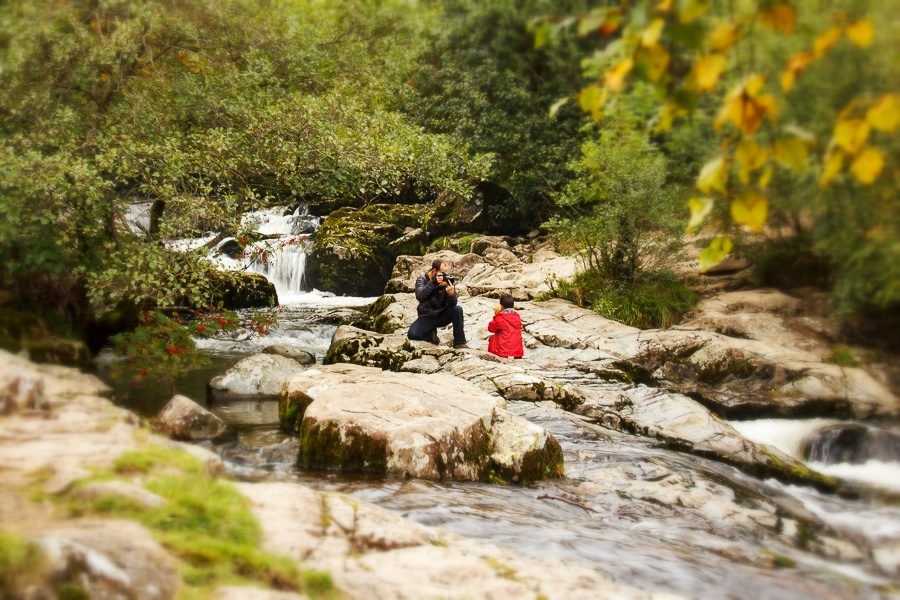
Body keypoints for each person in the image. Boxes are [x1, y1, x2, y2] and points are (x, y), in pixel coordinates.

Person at [408, 258, 468, 348]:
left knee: (457, 310)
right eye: (442, 273)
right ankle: (431, 336)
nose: (444, 276)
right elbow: (420, 296)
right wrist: (433, 283)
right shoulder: (422, 279)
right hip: (426, 316)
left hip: (441, 315)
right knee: (412, 335)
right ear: (434, 271)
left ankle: (459, 342)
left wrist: (451, 295)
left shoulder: (447, 281)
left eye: (446, 273)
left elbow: (452, 304)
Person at [487, 293, 523, 359]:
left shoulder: (500, 318)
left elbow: (491, 328)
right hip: (517, 351)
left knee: (492, 338)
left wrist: (496, 315)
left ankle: (501, 356)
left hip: (503, 351)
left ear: (501, 306)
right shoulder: (517, 317)